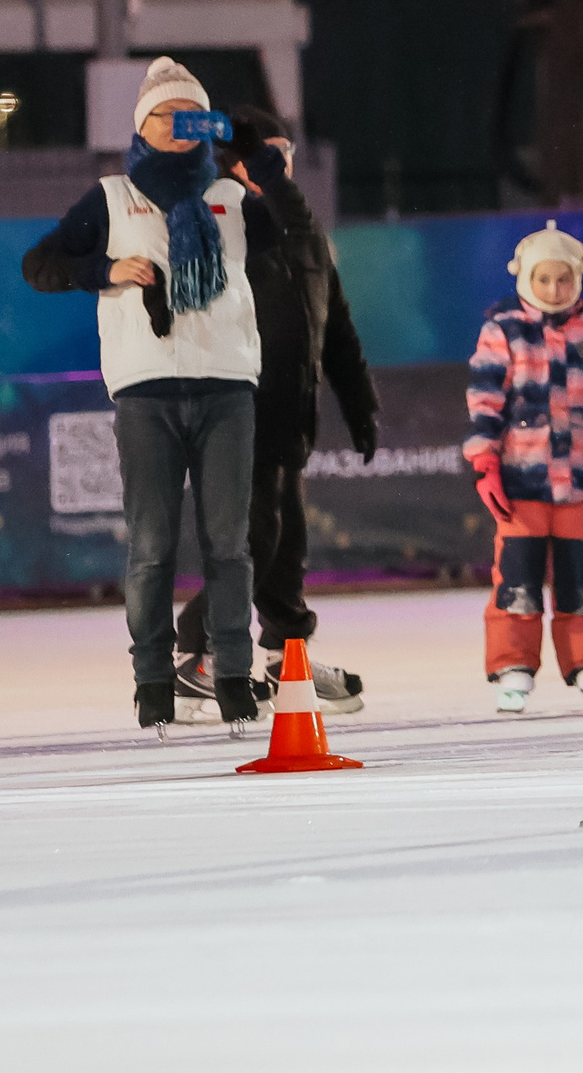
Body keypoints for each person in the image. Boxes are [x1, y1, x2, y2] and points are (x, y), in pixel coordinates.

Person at [20, 57, 273, 733]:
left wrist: (262, 172)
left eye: (194, 116)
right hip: (145, 390)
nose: (182, 126)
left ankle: (233, 676)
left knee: (229, 543)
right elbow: (39, 264)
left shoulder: (232, 195)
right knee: (154, 546)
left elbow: (291, 244)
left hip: (226, 386)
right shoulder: (113, 197)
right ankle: (153, 681)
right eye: (169, 115)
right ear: (142, 125)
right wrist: (106, 269)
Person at [169, 104, 377, 717]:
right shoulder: (220, 218)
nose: (282, 164)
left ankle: (289, 657)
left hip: (290, 411)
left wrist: (359, 403)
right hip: (235, 408)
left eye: (286, 153)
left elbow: (335, 325)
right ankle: (197, 650)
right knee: (254, 535)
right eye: (271, 153)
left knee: (287, 543)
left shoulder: (300, 230)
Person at [465, 222, 583, 713]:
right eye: (544, 279)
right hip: (521, 482)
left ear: (577, 280)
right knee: (517, 578)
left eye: (564, 279)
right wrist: (485, 463)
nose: (554, 289)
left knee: (580, 577)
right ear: (525, 279)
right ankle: (512, 665)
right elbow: (485, 403)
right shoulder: (503, 331)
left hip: (579, 482)